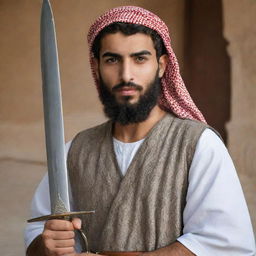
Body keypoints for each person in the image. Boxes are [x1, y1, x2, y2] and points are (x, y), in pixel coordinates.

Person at [25, 6, 256, 256]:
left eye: (140, 58)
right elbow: (38, 237)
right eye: (112, 59)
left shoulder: (198, 145)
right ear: (97, 66)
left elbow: (225, 245)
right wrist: (45, 246)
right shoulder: (75, 150)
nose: (126, 75)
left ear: (161, 65)